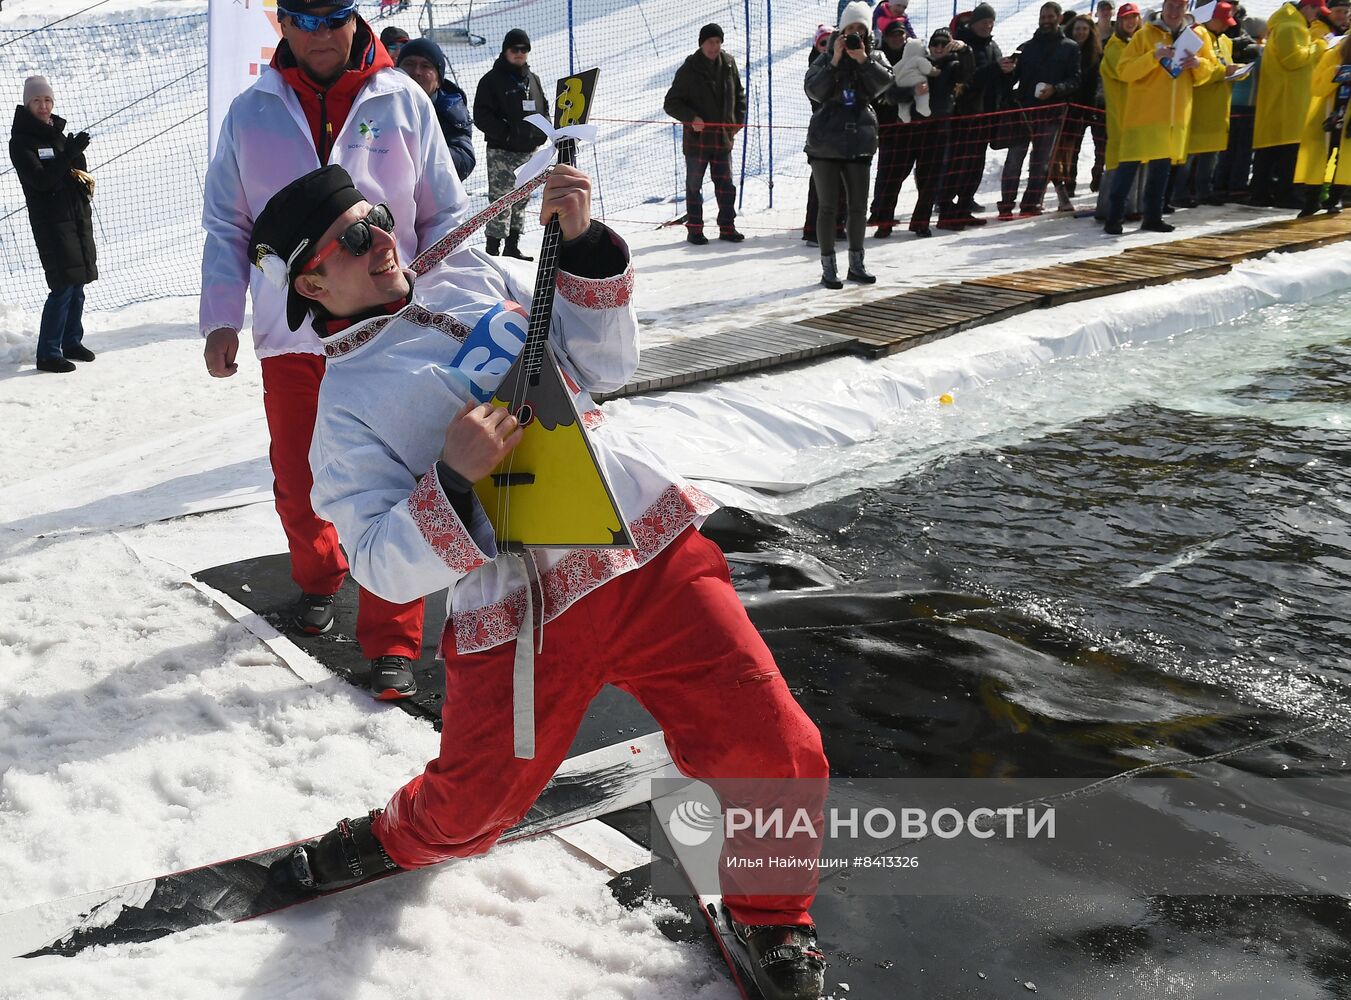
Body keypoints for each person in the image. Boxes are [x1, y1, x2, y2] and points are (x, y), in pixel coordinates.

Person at [248, 162, 831, 1000]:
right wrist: (451, 480)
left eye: (375, 217)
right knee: (472, 810)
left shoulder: (475, 275)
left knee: (777, 748)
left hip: (647, 553)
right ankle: (389, 837)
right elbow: (377, 560)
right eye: (349, 238)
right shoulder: (345, 404)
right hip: (527, 616)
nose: (377, 239)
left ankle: (772, 917)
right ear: (311, 278)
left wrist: (585, 244)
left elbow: (601, 367)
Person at [200, 0, 467, 700]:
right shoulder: (250, 111)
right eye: (303, 20)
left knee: (400, 482)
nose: (319, 35)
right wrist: (220, 316)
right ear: (280, 24)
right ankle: (317, 580)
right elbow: (227, 223)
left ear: (357, 21)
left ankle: (393, 641)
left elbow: (444, 211)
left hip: (389, 330)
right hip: (291, 335)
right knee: (298, 479)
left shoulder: (402, 99)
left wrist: (441, 302)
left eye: (332, 18)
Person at [1102, 0, 1216, 234]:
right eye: (1171, 6)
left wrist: (1197, 64)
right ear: (1163, 7)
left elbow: (1208, 71)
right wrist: (1153, 57)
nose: (1174, 12)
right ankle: (1114, 217)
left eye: (1180, 6)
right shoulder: (1144, 35)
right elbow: (1125, 71)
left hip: (1174, 116)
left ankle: (1153, 217)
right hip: (1144, 113)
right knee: (1128, 167)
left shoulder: (1197, 35)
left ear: (1186, 8)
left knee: (1161, 169)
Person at [9, 75, 96, 375]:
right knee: (62, 286)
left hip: (74, 217)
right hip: (51, 223)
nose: (44, 106)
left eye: (47, 100)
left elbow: (72, 170)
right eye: (37, 101)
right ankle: (47, 352)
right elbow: (42, 181)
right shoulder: (21, 142)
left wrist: (76, 157)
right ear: (27, 104)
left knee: (79, 283)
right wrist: (68, 154)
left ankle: (71, 341)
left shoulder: (55, 134)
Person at [805, 2, 895, 287]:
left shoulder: (875, 56)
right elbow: (814, 91)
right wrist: (834, 61)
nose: (854, 33)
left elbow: (884, 83)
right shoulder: (825, 56)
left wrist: (863, 60)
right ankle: (828, 267)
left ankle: (857, 264)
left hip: (859, 139)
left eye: (860, 28)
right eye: (850, 28)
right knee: (828, 206)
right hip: (825, 142)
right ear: (841, 29)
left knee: (858, 207)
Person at [663, 23, 748, 245]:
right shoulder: (689, 68)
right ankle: (695, 230)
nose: (714, 46)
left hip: (722, 138)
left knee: (726, 185)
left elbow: (739, 95)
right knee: (694, 185)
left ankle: (728, 228)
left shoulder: (729, 63)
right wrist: (692, 119)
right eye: (710, 42)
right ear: (702, 43)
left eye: (718, 42)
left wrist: (736, 123)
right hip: (697, 141)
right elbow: (671, 103)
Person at [995, 1, 1081, 219]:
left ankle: (1030, 203)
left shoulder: (1070, 48)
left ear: (1059, 19)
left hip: (1052, 113)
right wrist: (1007, 71)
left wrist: (1056, 89)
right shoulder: (1026, 47)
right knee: (1014, 160)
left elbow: (1075, 79)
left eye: (1050, 16)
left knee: (1041, 162)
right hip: (1024, 113)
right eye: (1043, 17)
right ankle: (1006, 205)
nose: (1046, 20)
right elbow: (1011, 79)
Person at [473, 29, 549, 259]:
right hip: (502, 153)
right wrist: (506, 134)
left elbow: (544, 108)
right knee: (500, 201)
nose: (519, 53)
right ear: (505, 50)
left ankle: (512, 247)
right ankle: (492, 250)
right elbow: (481, 115)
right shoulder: (491, 80)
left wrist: (542, 133)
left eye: (523, 49)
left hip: (528, 152)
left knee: (522, 199)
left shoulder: (532, 79)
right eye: (514, 49)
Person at [1251, 0, 1328, 208]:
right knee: (1287, 151)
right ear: (1306, 8)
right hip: (1288, 99)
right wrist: (1319, 45)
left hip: (1284, 97)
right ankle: (1285, 195)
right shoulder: (1291, 27)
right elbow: (1293, 59)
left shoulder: (1290, 25)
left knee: (1272, 149)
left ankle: (1261, 194)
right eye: (1316, 10)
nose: (1317, 15)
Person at [909, 28, 973, 235]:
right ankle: (885, 217)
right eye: (934, 44)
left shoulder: (954, 65)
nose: (938, 48)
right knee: (913, 173)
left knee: (932, 173)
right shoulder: (920, 63)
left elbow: (968, 72)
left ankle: (921, 221)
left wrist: (965, 50)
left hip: (940, 126)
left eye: (943, 44)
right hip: (916, 125)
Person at [943, 3, 1003, 225]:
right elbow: (967, 79)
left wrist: (1008, 71)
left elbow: (997, 79)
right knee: (958, 161)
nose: (987, 26)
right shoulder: (962, 45)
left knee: (976, 162)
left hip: (987, 114)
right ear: (974, 22)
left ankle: (965, 203)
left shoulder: (993, 46)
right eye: (983, 22)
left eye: (990, 22)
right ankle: (947, 205)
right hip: (964, 114)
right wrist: (996, 68)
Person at [1181, 2, 1244, 206]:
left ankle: (1204, 191)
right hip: (1199, 104)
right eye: (1223, 22)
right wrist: (1223, 72)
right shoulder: (1197, 33)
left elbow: (1223, 64)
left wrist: (1238, 70)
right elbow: (1192, 68)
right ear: (1211, 18)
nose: (1227, 26)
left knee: (1212, 150)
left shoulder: (1224, 40)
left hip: (1218, 105)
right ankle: (1179, 192)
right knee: (1189, 153)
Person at [868, 20, 925, 237]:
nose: (897, 39)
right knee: (888, 174)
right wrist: (911, 92)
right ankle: (882, 218)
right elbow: (884, 95)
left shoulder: (914, 57)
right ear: (886, 36)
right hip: (889, 126)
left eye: (901, 35)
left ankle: (917, 220)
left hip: (914, 126)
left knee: (911, 173)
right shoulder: (878, 59)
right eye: (893, 35)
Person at [397, 36, 475, 181]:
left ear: (439, 81)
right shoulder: (380, 102)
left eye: (426, 66)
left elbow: (464, 159)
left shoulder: (450, 110)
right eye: (409, 63)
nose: (416, 72)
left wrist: (421, 156)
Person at [1049, 14, 1103, 211]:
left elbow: (1095, 82)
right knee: (1066, 151)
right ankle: (1066, 185)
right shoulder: (1064, 50)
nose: (1080, 32)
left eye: (1084, 29)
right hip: (1065, 106)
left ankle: (1096, 177)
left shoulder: (1095, 54)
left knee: (1086, 147)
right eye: (1077, 28)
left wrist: (1093, 106)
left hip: (1087, 106)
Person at [1095, 2, 1144, 220]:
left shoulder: (1138, 44)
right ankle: (1109, 209)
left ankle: (1132, 207)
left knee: (1136, 160)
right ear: (1120, 22)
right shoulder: (1115, 47)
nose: (1131, 22)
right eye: (1126, 18)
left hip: (1138, 113)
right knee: (1117, 163)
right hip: (1121, 114)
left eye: (1134, 18)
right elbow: (1129, 73)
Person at [1296, 33, 1351, 213]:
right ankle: (1311, 201)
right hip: (1328, 115)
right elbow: (1316, 88)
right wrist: (1333, 73)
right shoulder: (1332, 55)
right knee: (1318, 159)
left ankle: (1334, 199)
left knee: (1346, 160)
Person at [804, 25, 848, 245]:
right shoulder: (817, 65)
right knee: (820, 184)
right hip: (823, 133)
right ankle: (812, 230)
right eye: (822, 43)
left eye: (829, 43)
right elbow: (818, 95)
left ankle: (839, 225)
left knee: (844, 182)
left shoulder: (843, 61)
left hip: (845, 132)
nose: (825, 47)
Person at [1214, 12, 1262, 203]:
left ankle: (1220, 185)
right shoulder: (1257, 50)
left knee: (1227, 149)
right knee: (1242, 150)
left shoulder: (1229, 45)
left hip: (1231, 103)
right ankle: (1237, 187)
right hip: (1248, 104)